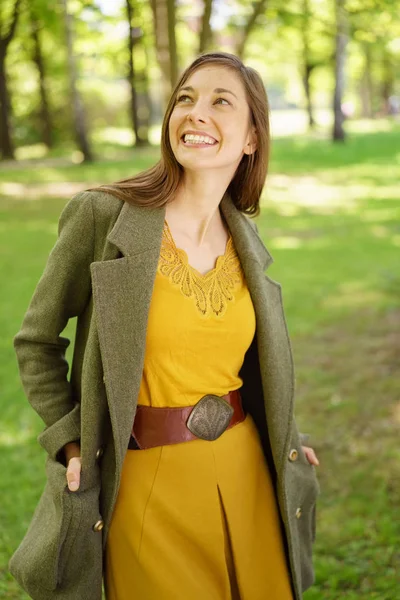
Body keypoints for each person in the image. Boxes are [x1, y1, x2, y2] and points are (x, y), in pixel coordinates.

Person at [9, 52, 320, 600]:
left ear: (251, 137)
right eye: (185, 99)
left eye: (220, 102)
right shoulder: (101, 216)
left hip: (248, 472)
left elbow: (251, 365)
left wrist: (288, 439)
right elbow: (36, 341)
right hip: (146, 485)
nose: (196, 113)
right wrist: (69, 442)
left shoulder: (245, 239)